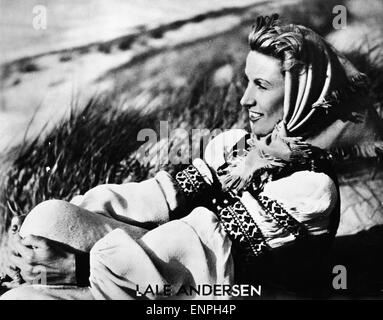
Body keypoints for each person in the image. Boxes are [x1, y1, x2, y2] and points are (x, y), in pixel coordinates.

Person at [1, 14, 376, 300]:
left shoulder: (311, 188)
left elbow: (192, 247)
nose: (245, 99)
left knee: (26, 298)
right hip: (169, 274)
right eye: (247, 81)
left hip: (224, 293)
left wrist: (77, 266)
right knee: (50, 218)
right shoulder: (236, 148)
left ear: (300, 97)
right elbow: (157, 196)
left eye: (261, 86)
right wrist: (48, 238)